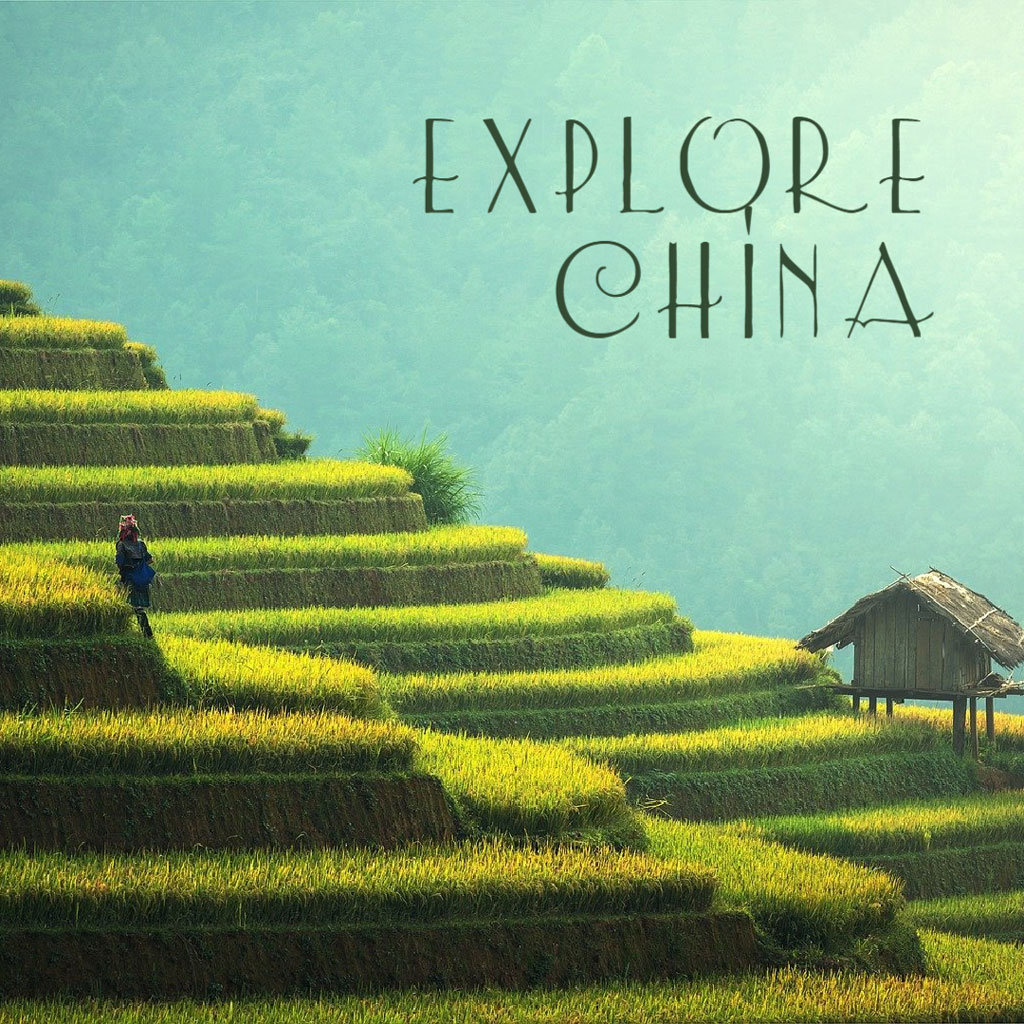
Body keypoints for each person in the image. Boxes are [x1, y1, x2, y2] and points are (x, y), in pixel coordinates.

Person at [115, 513, 155, 638]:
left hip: (129, 579)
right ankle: (147, 633)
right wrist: (139, 566)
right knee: (139, 607)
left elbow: (120, 562)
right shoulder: (141, 544)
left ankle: (122, 631)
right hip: (142, 579)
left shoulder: (121, 545)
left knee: (126, 605)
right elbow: (150, 559)